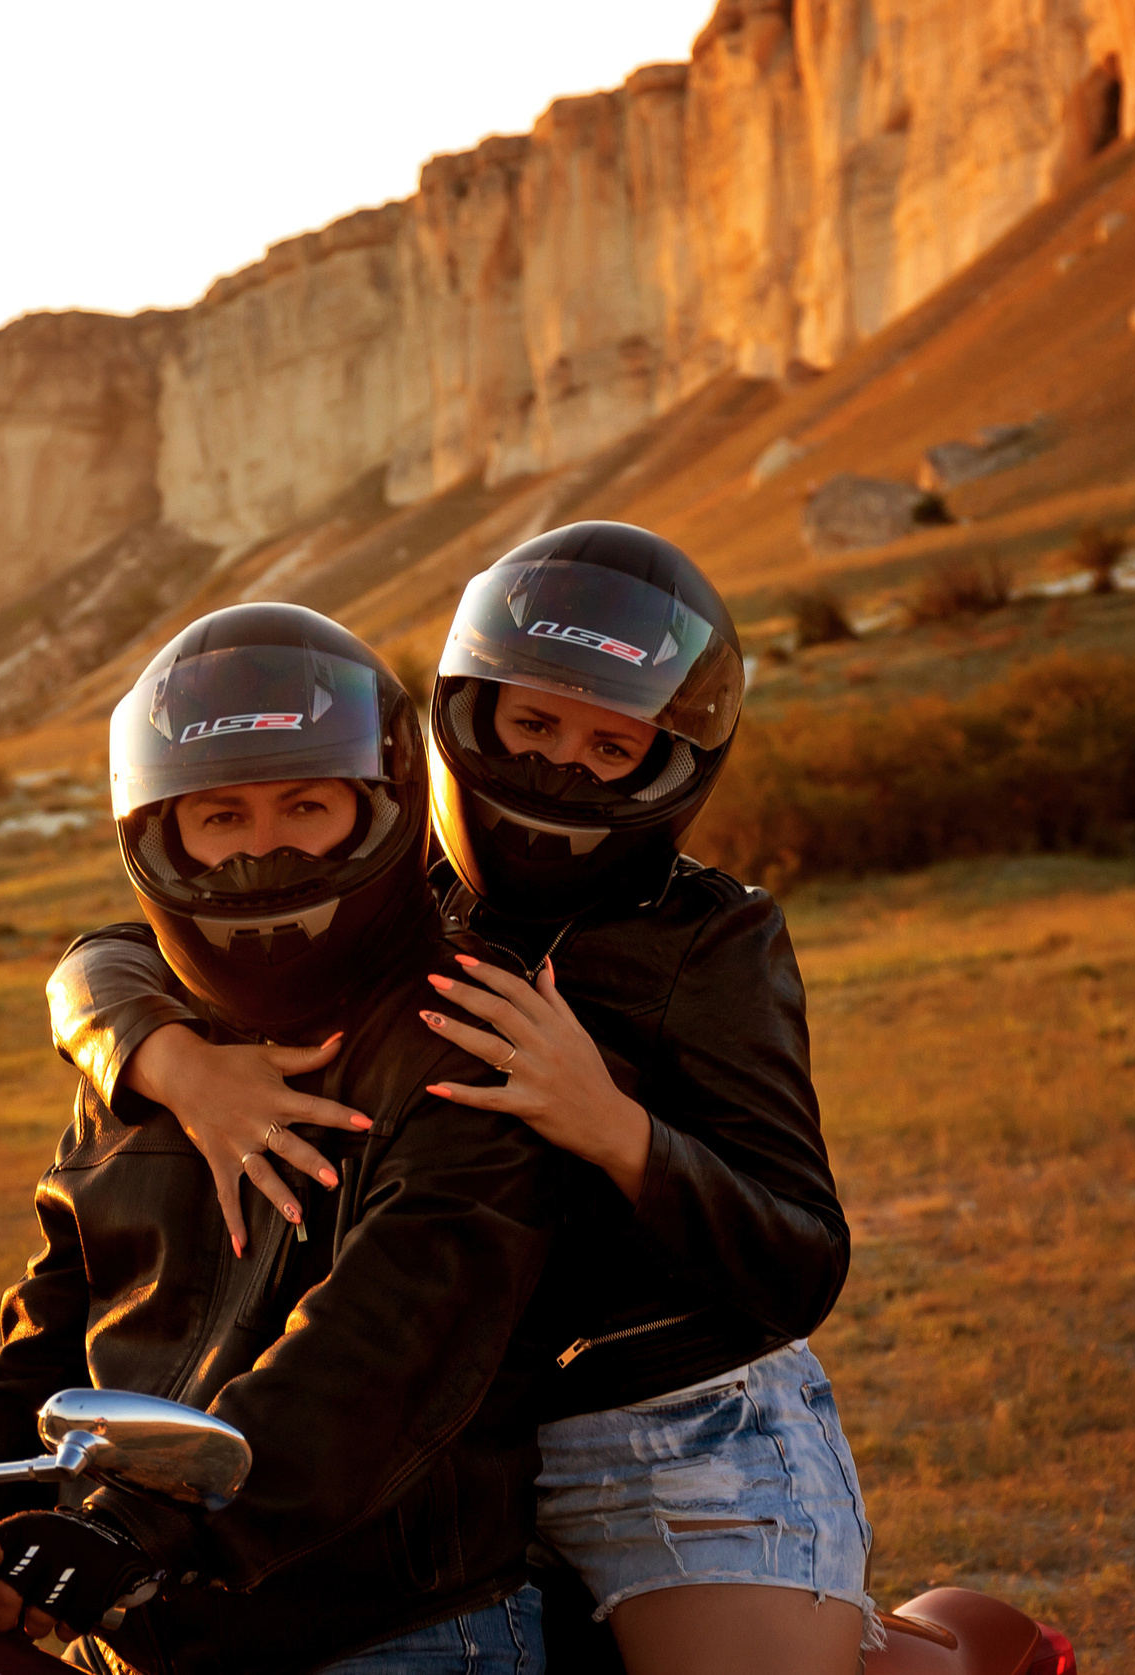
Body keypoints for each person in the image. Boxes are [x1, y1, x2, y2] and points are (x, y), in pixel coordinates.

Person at [46, 524, 877, 1675]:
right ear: (468, 714)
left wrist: (615, 1130)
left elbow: (803, 1261)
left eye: (609, 744)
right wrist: (165, 1058)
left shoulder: (710, 940)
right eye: (534, 725)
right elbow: (114, 952)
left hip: (673, 1430)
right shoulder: (400, 882)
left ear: (666, 762)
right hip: (452, 1446)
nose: (560, 768)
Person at [0, 603, 562, 1675]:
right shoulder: (155, 1048)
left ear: (381, 806)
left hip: (389, 1628)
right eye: (220, 814)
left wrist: (138, 1528)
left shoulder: (462, 1031)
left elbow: (380, 1350)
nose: (262, 846)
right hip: (138, 1622)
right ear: (161, 830)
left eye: (305, 805)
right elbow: (54, 1315)